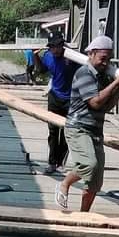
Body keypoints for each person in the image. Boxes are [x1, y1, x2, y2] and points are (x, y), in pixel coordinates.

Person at [54, 35, 119, 212]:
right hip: (78, 128)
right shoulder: (84, 73)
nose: (106, 63)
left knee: (95, 180)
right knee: (89, 165)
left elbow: (105, 106)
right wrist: (116, 83)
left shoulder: (101, 76)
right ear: (92, 54)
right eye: (103, 59)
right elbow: (94, 102)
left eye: (109, 59)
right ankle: (63, 184)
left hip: (95, 130)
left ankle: (84, 215)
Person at [33, 31, 80, 174]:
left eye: (57, 46)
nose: (55, 50)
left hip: (70, 98)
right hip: (54, 97)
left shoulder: (72, 58)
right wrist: (35, 57)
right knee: (53, 131)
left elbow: (86, 69)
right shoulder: (48, 56)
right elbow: (41, 70)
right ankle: (52, 162)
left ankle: (60, 162)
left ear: (62, 45)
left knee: (67, 132)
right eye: (52, 47)